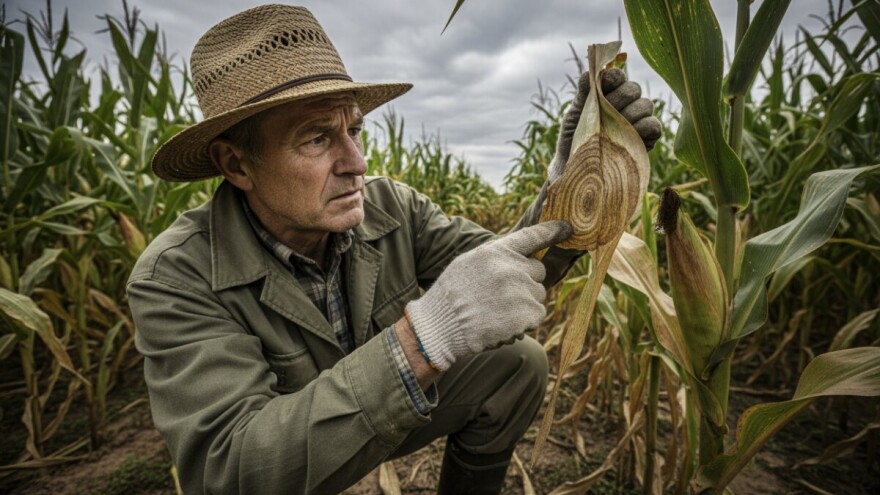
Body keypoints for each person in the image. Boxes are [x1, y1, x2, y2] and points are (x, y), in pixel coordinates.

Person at [127, 4, 661, 494]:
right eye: (316, 138)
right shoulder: (176, 277)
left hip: (390, 411)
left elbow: (507, 272)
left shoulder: (391, 207)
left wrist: (572, 185)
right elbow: (231, 469)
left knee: (517, 365)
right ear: (236, 164)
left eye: (354, 130)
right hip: (287, 464)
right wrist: (425, 337)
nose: (356, 162)